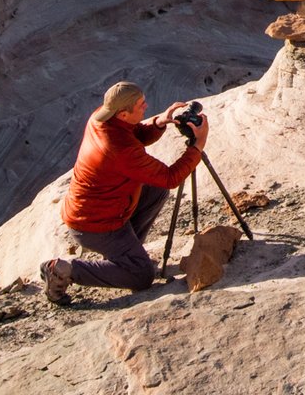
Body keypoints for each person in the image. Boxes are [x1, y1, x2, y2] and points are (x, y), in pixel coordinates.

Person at [39, 81, 209, 305]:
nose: (146, 107)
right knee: (142, 276)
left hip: (97, 208)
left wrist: (159, 123)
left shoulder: (101, 117)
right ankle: (64, 269)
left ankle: (125, 257)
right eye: (140, 105)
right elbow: (171, 178)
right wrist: (198, 145)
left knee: (155, 190)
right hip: (95, 225)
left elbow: (134, 133)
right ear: (122, 113)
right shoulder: (120, 150)